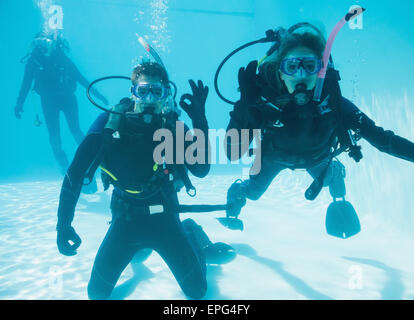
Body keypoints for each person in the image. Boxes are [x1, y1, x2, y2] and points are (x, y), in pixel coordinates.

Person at [56, 61, 233, 300]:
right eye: (143, 91)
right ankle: (139, 255)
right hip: (124, 220)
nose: (149, 98)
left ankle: (190, 231)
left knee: (197, 292)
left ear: (165, 96)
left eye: (157, 92)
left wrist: (200, 121)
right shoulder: (109, 124)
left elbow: (201, 170)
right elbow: (74, 175)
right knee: (96, 295)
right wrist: (63, 224)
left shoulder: (173, 127)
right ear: (132, 92)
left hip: (166, 220)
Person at [224, 24, 414, 238]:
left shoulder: (335, 105)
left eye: (310, 65)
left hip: (317, 159)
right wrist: (244, 109)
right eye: (292, 67)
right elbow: (232, 153)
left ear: (321, 72)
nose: (301, 74)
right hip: (272, 159)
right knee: (252, 193)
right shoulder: (262, 104)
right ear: (281, 72)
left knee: (331, 182)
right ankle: (239, 191)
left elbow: (383, 140)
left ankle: (335, 178)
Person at [14, 31, 108, 176]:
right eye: (39, 43)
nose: (43, 46)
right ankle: (65, 167)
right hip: (52, 101)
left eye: (45, 42)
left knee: (73, 131)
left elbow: (80, 78)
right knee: (56, 135)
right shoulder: (34, 60)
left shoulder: (60, 57)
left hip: (65, 99)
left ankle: (89, 161)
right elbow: (26, 83)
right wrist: (19, 103)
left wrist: (98, 95)